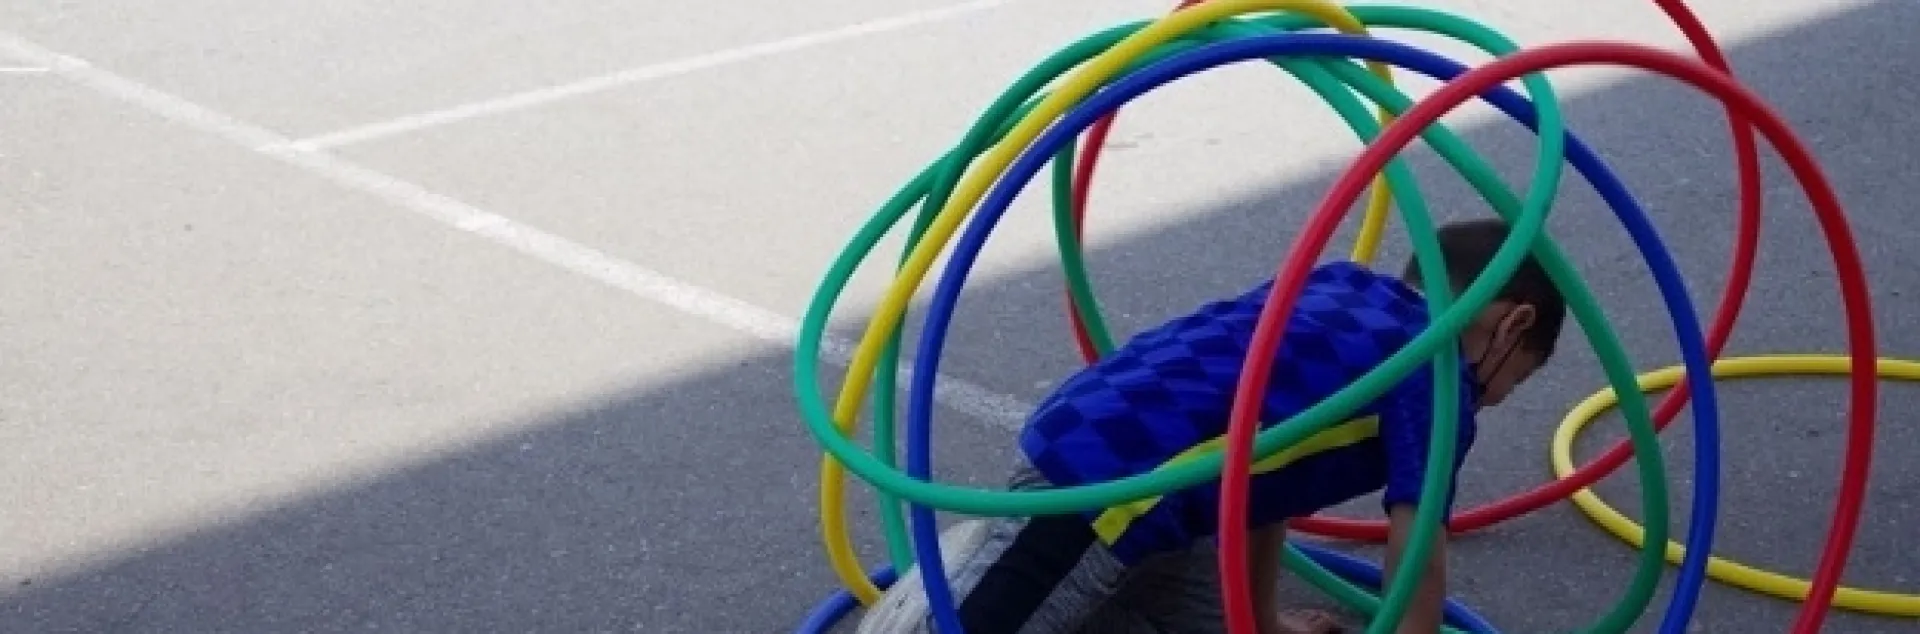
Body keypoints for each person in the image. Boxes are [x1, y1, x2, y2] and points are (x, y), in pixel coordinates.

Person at [857, 218, 1568, 634]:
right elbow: (1418, 556)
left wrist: (1263, 620)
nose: (1504, 395)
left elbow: (1263, 479)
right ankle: (950, 584)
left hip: (1156, 473)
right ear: (1513, 325)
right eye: (1522, 374)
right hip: (1108, 487)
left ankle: (1010, 563)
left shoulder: (1346, 285)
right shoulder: (1434, 372)